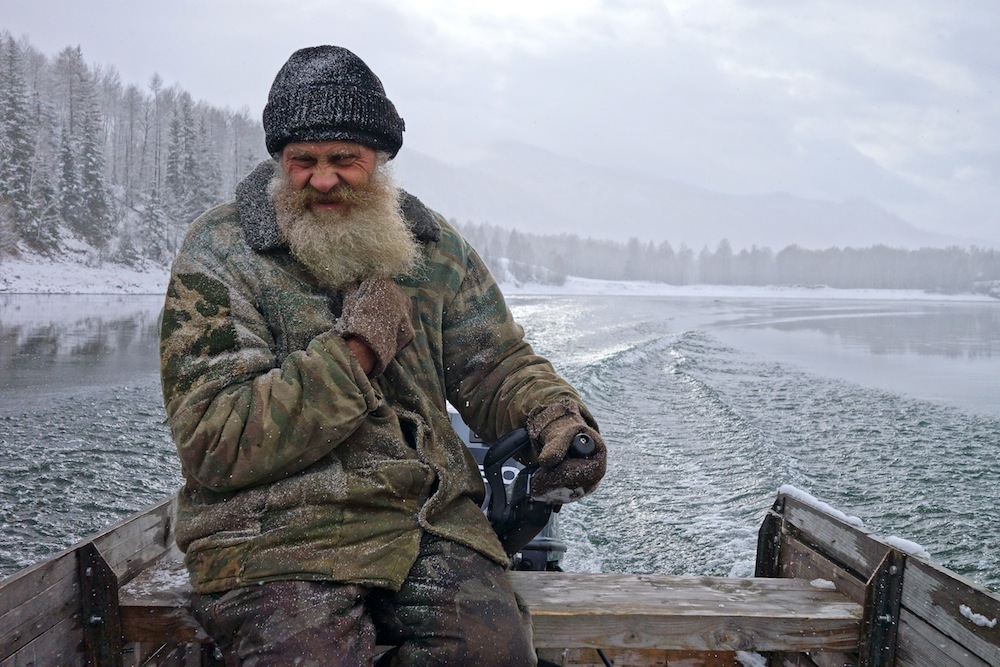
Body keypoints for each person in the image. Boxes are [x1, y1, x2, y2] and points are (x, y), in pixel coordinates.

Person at [159, 45, 607, 667]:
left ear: (381, 158)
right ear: (278, 161)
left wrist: (553, 415)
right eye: (302, 161)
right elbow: (215, 441)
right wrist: (354, 354)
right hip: (269, 535)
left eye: (344, 158)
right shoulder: (222, 251)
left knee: (493, 653)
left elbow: (496, 363)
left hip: (425, 522)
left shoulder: (431, 246)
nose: (322, 178)